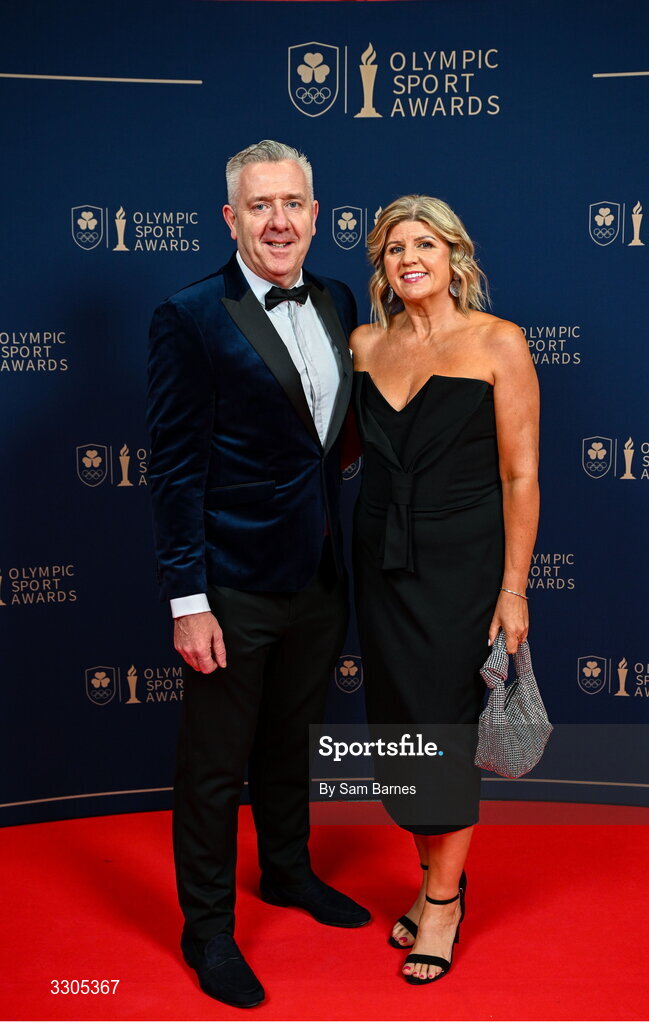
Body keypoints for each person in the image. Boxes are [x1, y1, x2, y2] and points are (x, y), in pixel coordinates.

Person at [146, 140, 369, 1010]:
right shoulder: (190, 314)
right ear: (231, 218)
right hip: (231, 583)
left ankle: (285, 873)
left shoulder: (341, 298)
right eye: (260, 205)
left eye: (294, 203)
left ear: (317, 214)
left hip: (317, 575)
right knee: (212, 766)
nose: (279, 221)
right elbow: (174, 467)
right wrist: (188, 597)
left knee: (291, 742)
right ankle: (204, 929)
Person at [350, 195, 539, 985]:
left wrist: (513, 587)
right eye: (393, 248)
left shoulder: (498, 343)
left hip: (462, 566)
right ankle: (434, 877)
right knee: (398, 719)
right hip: (378, 561)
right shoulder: (364, 343)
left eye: (422, 242)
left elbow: (519, 473)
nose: (408, 258)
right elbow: (337, 451)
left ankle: (442, 898)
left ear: (453, 253)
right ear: (382, 268)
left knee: (446, 722)